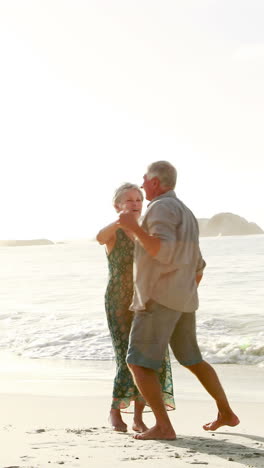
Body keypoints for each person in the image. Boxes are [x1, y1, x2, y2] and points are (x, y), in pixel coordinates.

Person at [118, 161, 240, 441]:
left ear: (157, 182)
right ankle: (226, 413)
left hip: (158, 299)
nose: (143, 182)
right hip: (184, 299)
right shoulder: (186, 211)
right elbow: (199, 264)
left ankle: (163, 426)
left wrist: (133, 227)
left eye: (145, 179)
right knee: (192, 359)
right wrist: (182, 291)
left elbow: (163, 250)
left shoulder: (160, 207)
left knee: (137, 362)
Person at [96, 182, 175, 433]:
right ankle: (115, 410)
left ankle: (139, 417)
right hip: (119, 301)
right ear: (117, 205)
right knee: (127, 357)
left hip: (148, 302)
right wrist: (122, 222)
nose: (135, 204)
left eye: (138, 199)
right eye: (129, 200)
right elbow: (99, 238)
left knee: (149, 358)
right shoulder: (114, 233)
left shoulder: (149, 231)